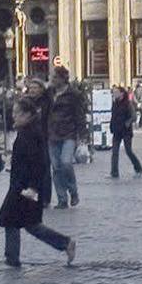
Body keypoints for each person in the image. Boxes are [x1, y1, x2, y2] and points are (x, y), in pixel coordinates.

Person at [0, 98, 75, 267]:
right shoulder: (27, 131)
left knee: (20, 223)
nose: (13, 116)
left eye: (16, 113)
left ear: (27, 114)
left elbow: (38, 163)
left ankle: (13, 259)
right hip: (21, 185)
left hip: (25, 187)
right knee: (24, 223)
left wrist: (32, 187)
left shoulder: (31, 134)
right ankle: (13, 258)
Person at [45, 70, 87, 208]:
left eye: (55, 77)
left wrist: (83, 135)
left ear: (63, 79)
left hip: (68, 133)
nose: (53, 79)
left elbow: (79, 115)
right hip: (52, 134)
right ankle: (62, 199)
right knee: (56, 167)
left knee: (66, 162)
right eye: (52, 77)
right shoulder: (49, 93)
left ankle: (73, 191)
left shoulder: (73, 94)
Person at [108, 87, 142, 178]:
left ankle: (138, 167)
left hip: (126, 131)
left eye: (116, 92)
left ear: (122, 94)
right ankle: (114, 172)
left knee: (128, 151)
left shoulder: (128, 104)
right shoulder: (115, 104)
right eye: (114, 92)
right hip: (117, 131)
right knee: (114, 152)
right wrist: (111, 126)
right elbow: (113, 116)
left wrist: (127, 123)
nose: (114, 94)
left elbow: (134, 116)